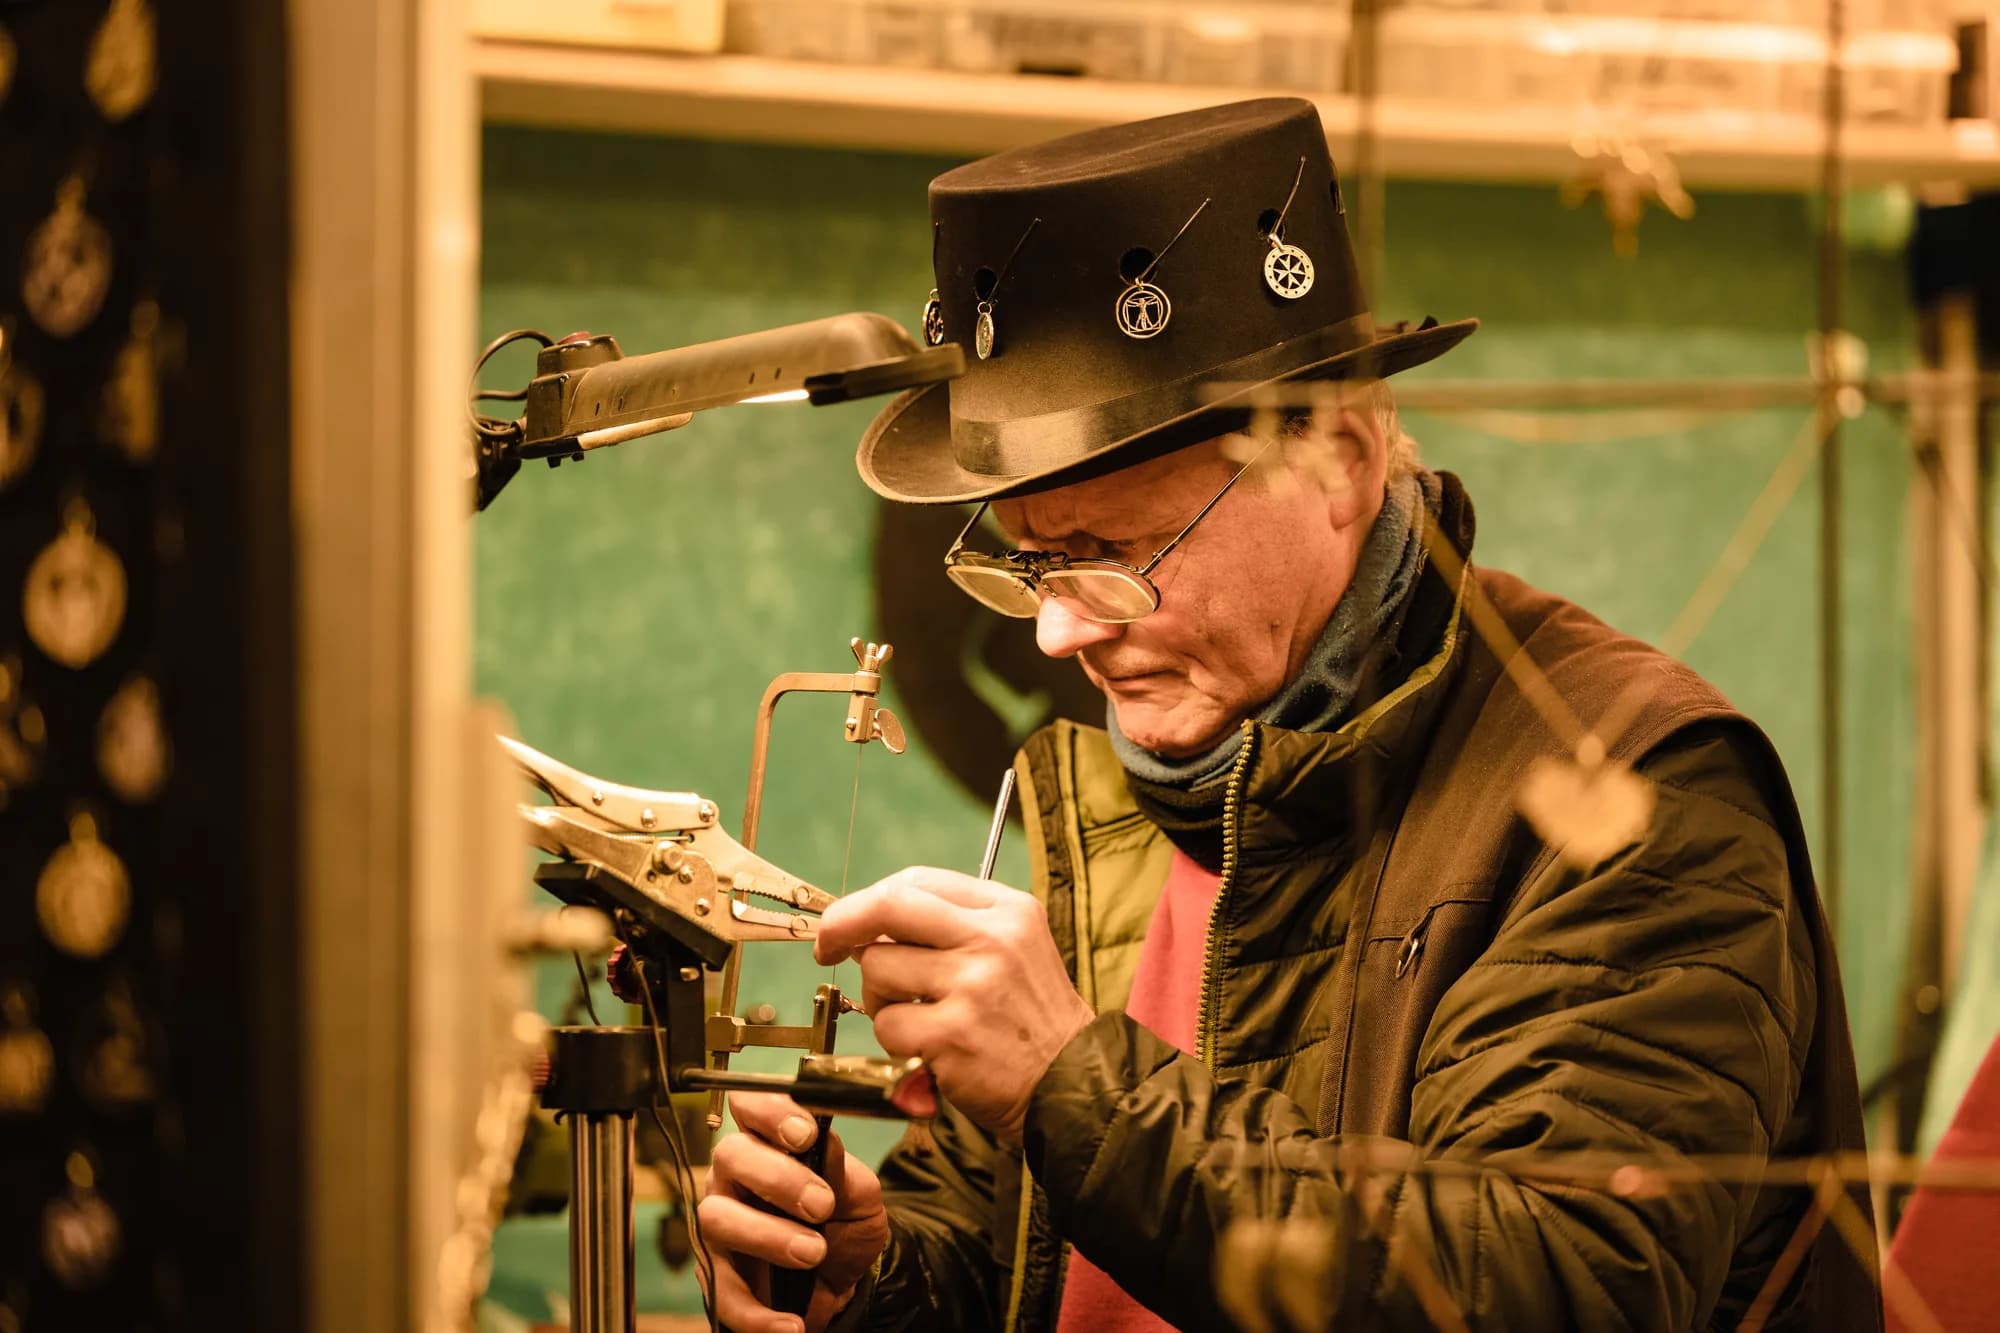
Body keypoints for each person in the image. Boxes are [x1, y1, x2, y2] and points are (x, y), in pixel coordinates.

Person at [697, 99, 1878, 1333]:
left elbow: (1560, 1283)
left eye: (1114, 555)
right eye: (1029, 565)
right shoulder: (1102, 798)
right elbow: (1026, 1263)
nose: (1058, 634)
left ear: (1343, 460)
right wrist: (862, 1281)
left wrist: (1069, 1083)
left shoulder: (1642, 789)